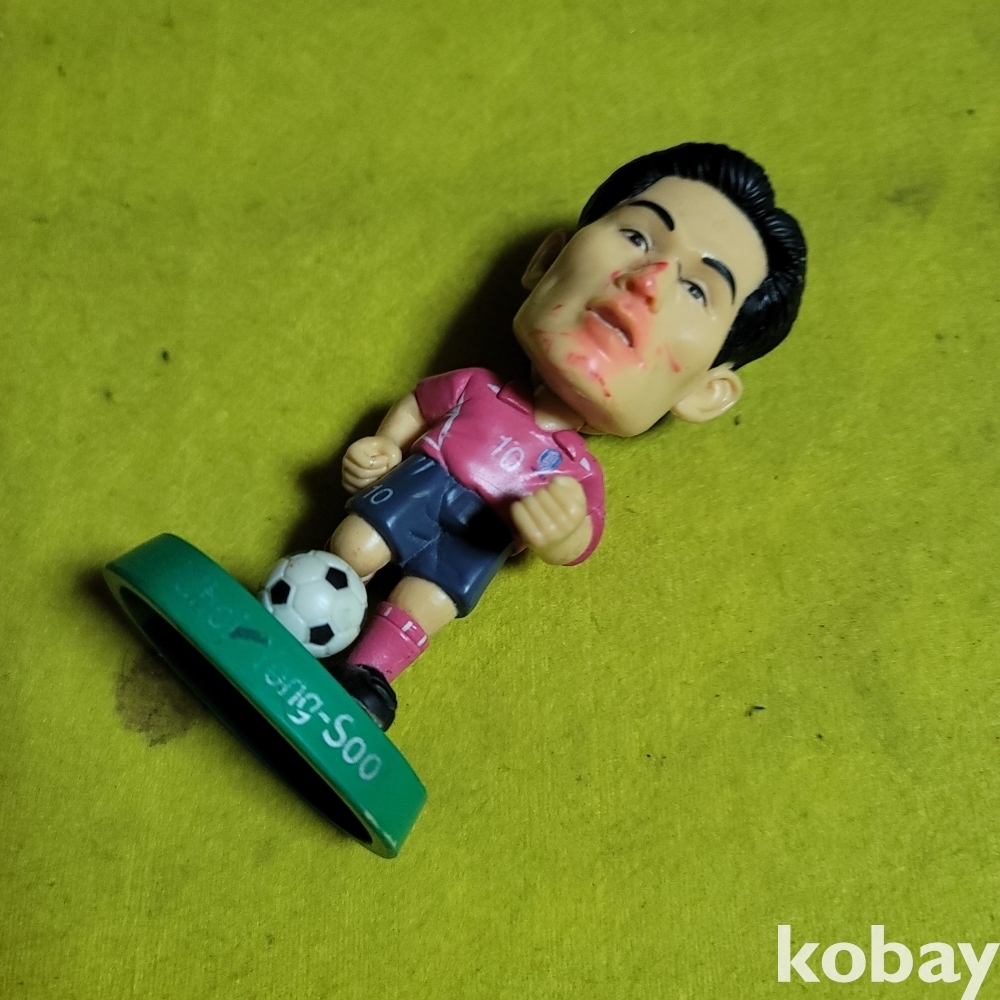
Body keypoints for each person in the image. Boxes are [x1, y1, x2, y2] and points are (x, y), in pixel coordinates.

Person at [291, 142, 806, 730]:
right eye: (637, 237)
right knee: (356, 545)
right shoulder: (476, 388)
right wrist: (387, 445)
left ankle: (368, 677)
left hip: (482, 538)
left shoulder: (576, 472)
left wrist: (562, 533)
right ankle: (297, 614)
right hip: (424, 480)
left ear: (707, 392)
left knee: (427, 602)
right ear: (548, 259)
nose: (650, 280)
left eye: (697, 290)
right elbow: (418, 403)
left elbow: (579, 539)